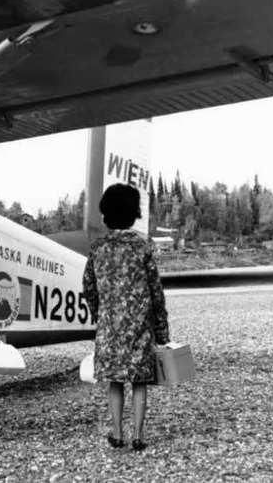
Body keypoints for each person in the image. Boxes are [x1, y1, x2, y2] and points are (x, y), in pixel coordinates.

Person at [82, 183, 170, 452]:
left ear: (106, 214)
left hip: (109, 329)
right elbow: (156, 291)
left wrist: (101, 314)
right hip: (139, 328)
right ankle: (139, 436)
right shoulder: (142, 248)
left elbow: (88, 287)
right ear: (134, 214)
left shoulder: (98, 249)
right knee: (140, 381)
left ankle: (117, 433)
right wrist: (162, 330)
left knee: (115, 381)